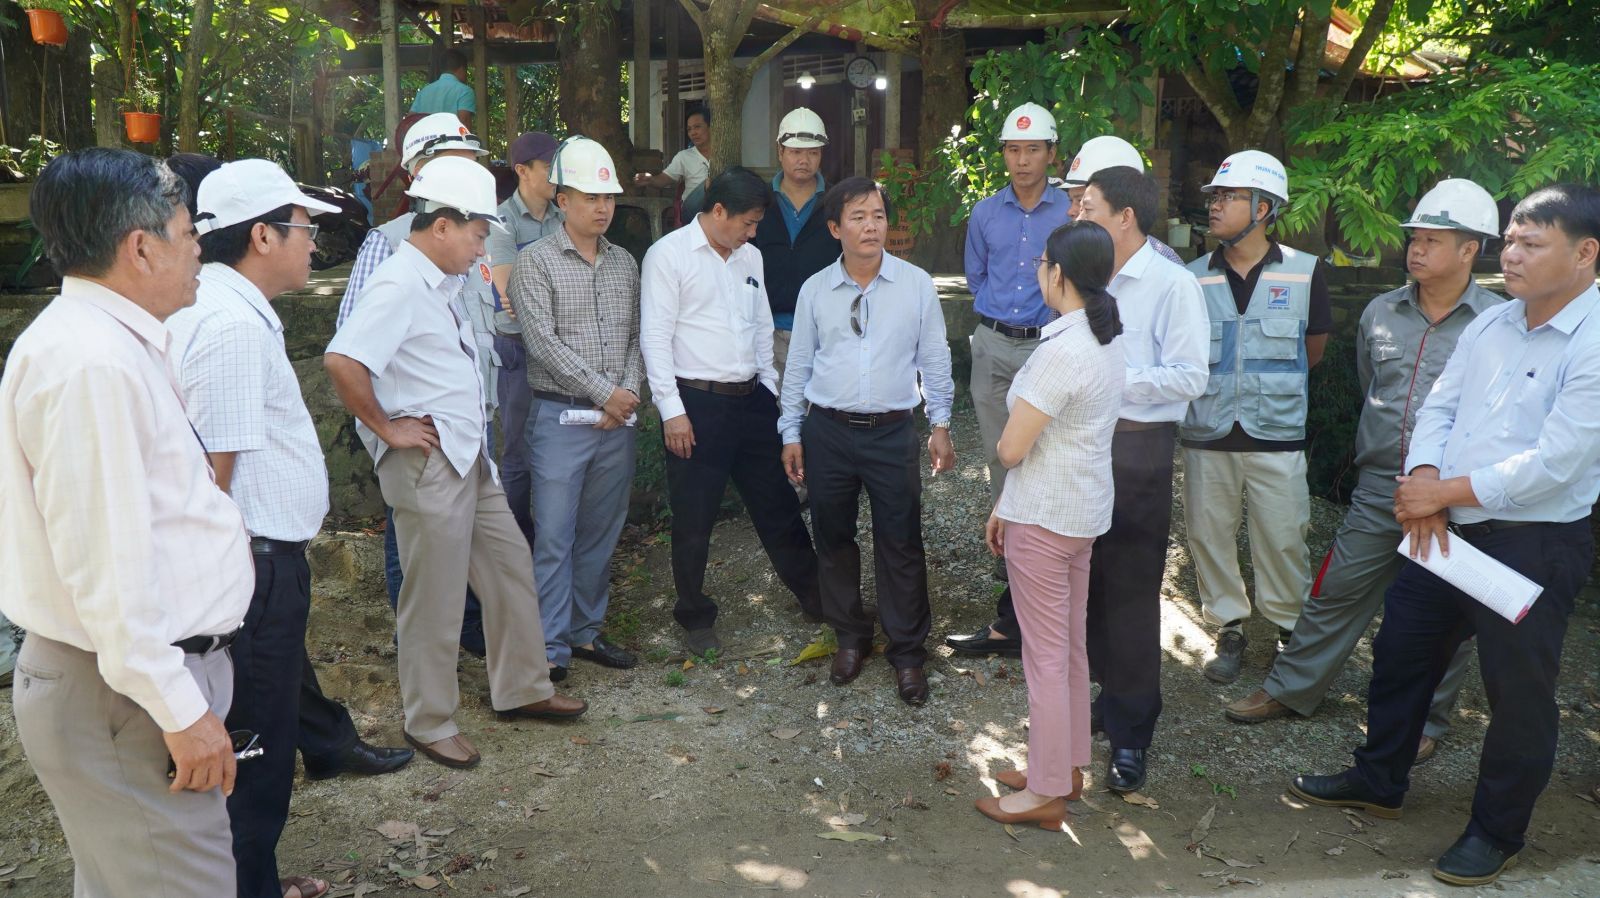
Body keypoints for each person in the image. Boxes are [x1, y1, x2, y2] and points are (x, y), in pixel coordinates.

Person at [1290, 183, 1600, 888]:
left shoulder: (1592, 339)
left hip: (1533, 544)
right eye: (1510, 240)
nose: (1510, 254)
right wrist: (1427, 483)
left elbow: (1558, 462)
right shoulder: (1494, 323)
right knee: (1401, 651)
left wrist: (1443, 492)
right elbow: (1439, 406)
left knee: (1517, 692)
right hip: (1450, 531)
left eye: (1531, 244)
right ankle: (1380, 779)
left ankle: (1496, 832)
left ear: (1585, 254)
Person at [0, 147, 254, 895]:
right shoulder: (93, 365)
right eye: (189, 231)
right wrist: (178, 708)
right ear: (140, 248)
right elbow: (106, 568)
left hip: (124, 683)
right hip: (122, 692)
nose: (200, 247)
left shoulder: (106, 343)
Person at [168, 159, 418, 898]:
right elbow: (211, 476)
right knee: (255, 753)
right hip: (250, 565)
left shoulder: (228, 308)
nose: (314, 243)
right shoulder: (228, 326)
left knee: (258, 732)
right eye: (304, 228)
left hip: (257, 561)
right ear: (262, 236)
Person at [1225, 179, 1502, 765]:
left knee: (1444, 613)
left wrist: (1450, 491)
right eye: (1414, 238)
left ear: (1470, 249)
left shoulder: (1497, 324)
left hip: (1452, 496)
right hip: (1381, 486)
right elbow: (1371, 386)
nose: (1416, 249)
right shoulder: (1382, 312)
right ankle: (1290, 689)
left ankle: (1426, 721)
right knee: (1335, 590)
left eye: (1432, 240)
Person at [325, 157, 587, 770]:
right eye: (476, 233)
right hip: (428, 461)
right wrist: (386, 428)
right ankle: (429, 720)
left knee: (509, 566)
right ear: (441, 225)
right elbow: (343, 360)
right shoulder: (398, 283)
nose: (482, 247)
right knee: (435, 597)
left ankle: (522, 687)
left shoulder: (438, 283)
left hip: (467, 455)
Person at [778, 177, 955, 706]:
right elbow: (798, 365)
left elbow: (934, 356)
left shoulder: (915, 285)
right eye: (857, 217)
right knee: (833, 538)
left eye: (877, 215)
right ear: (835, 229)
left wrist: (940, 423)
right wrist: (791, 431)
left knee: (900, 541)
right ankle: (850, 638)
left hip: (893, 431)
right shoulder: (815, 290)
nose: (871, 226)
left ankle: (908, 653)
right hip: (828, 431)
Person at [975, 220, 1125, 826]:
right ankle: (1063, 768)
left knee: (1045, 656)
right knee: (1068, 648)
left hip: (1043, 519)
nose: (1039, 270)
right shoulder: (1104, 337)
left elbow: (1012, 450)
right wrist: (1003, 506)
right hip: (1077, 513)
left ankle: (1044, 791)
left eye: (1042, 263)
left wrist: (1006, 492)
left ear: (1057, 274)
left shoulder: (1061, 349)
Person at [640, 167, 824, 653]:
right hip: (695, 404)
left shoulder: (750, 257)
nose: (753, 232)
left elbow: (761, 328)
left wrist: (769, 391)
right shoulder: (669, 255)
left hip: (752, 399)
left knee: (778, 504)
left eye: (757, 223)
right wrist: (671, 410)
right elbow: (655, 337)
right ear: (718, 211)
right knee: (694, 515)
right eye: (748, 222)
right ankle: (695, 616)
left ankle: (817, 596)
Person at [1072, 165, 1209, 793]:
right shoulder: (1088, 276)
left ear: (1125, 216)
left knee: (1129, 591)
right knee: (1089, 584)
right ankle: (1108, 698)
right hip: (1082, 445)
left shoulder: (1172, 284)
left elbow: (1190, 376)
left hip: (1138, 449)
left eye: (1089, 206)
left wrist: (1113, 383)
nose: (1078, 215)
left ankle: (1131, 734)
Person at [339, 112, 491, 657]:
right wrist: (387, 427)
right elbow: (352, 346)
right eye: (453, 163)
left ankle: (460, 637)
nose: (466, 174)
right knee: (414, 548)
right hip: (423, 437)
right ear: (418, 174)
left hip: (469, 423)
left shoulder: (476, 235)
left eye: (469, 163)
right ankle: (419, 648)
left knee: (466, 543)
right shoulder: (389, 244)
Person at [1181, 150, 1333, 684]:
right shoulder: (1191, 277)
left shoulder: (1305, 272)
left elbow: (1313, 351)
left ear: (1263, 208)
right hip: (1207, 433)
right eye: (1214, 197)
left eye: (1228, 197)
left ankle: (1290, 631)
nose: (1215, 205)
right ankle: (1229, 628)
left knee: (1285, 538)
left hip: (1277, 435)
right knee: (1208, 535)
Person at [508, 137, 643, 681]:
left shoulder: (624, 263)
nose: (603, 207)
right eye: (591, 197)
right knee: (554, 536)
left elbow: (637, 337)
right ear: (562, 200)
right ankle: (548, 647)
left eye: (608, 197)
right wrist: (605, 392)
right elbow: (542, 343)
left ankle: (585, 632)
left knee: (600, 533)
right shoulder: (534, 262)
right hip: (560, 418)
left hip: (617, 421)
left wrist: (624, 394)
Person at [946, 102, 1073, 660]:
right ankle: (1013, 555)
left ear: (1051, 154)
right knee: (1002, 454)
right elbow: (976, 275)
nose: (1022, 160)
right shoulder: (984, 213)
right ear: (1003, 154)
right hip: (995, 342)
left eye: (1033, 150)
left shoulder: (1070, 212)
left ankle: (1052, 557)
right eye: (1013, 150)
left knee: (1050, 449)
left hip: (1049, 344)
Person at [487, 131, 563, 548]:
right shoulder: (500, 221)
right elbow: (512, 295)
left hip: (562, 347)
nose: (558, 175)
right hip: (517, 349)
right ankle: (520, 545)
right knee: (517, 453)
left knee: (559, 445)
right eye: (550, 166)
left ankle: (554, 539)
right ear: (522, 170)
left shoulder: (563, 215)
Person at [752, 108, 840, 386]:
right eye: (795, 152)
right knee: (771, 407)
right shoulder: (759, 201)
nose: (804, 160)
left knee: (820, 408)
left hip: (824, 331)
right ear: (780, 151)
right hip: (766, 330)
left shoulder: (838, 202)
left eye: (813, 152)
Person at [1061, 135, 1185, 266]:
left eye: (1083, 203)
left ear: (1125, 215)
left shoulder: (1168, 268)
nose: (1071, 212)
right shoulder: (1075, 258)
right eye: (1071, 200)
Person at [635, 106, 712, 221]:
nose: (693, 133)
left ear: (711, 127)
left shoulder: (725, 153)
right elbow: (664, 179)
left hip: (720, 207)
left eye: (697, 127)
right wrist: (650, 179)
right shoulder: (684, 156)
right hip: (691, 210)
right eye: (689, 129)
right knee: (710, 183)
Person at [411, 48, 475, 129]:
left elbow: (409, 121)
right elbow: (464, 122)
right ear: (462, 69)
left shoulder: (424, 92)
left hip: (426, 136)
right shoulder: (464, 91)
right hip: (452, 137)